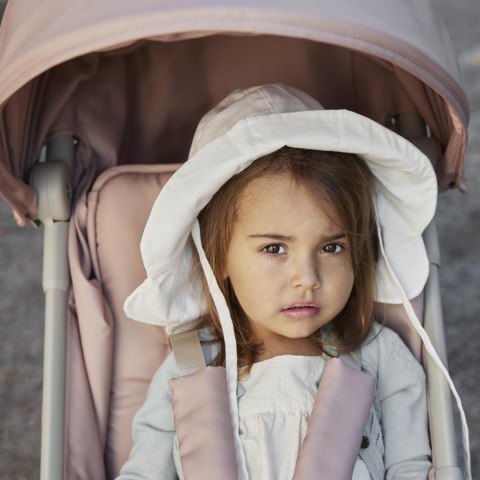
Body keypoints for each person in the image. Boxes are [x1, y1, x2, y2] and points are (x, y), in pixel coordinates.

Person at [118, 84, 436, 479]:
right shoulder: (189, 366)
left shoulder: (379, 357)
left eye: (331, 247)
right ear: (218, 258)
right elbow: (145, 472)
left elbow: (410, 466)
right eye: (274, 248)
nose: (307, 278)